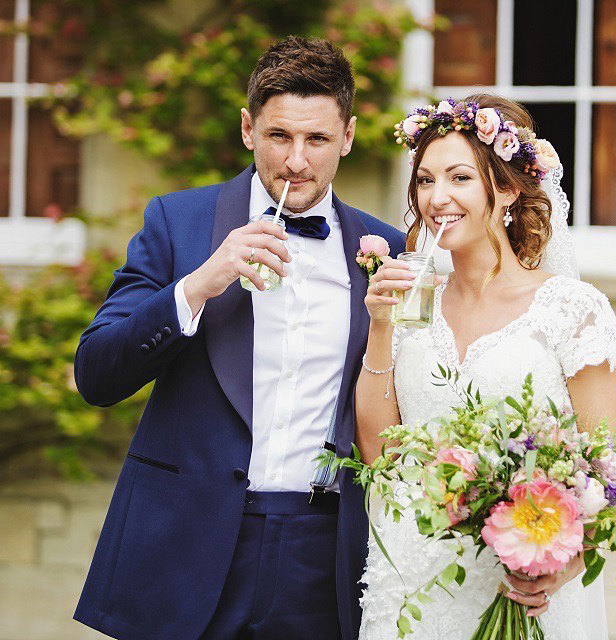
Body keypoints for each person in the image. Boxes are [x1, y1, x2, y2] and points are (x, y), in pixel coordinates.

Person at [73, 36, 404, 640]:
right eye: (280, 136)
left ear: (349, 137)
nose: (297, 161)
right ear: (248, 129)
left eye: (318, 139)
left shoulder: (387, 249)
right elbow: (96, 373)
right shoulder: (180, 222)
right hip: (186, 549)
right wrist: (200, 284)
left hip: (323, 552)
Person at [354, 94, 616, 639]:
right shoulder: (412, 300)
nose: (437, 198)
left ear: (504, 189)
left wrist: (559, 566)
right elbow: (379, 456)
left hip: (524, 592)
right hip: (413, 584)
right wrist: (380, 328)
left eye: (458, 178)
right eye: (425, 181)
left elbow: (610, 475)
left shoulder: (573, 309)